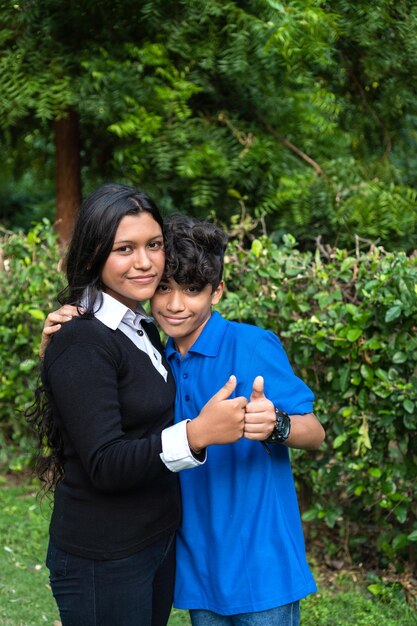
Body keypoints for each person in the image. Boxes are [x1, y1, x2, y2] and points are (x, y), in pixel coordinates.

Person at [43, 212, 325, 626]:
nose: (176, 305)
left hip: (262, 564)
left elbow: (314, 433)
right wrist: (53, 344)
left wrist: (276, 424)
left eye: (193, 290)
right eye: (165, 289)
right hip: (196, 565)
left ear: (218, 291)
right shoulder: (155, 355)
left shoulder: (249, 344)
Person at [29, 184, 248, 626]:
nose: (145, 262)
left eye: (154, 245)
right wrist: (198, 433)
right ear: (94, 254)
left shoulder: (139, 325)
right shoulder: (82, 338)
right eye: (124, 248)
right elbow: (105, 462)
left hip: (152, 542)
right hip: (104, 557)